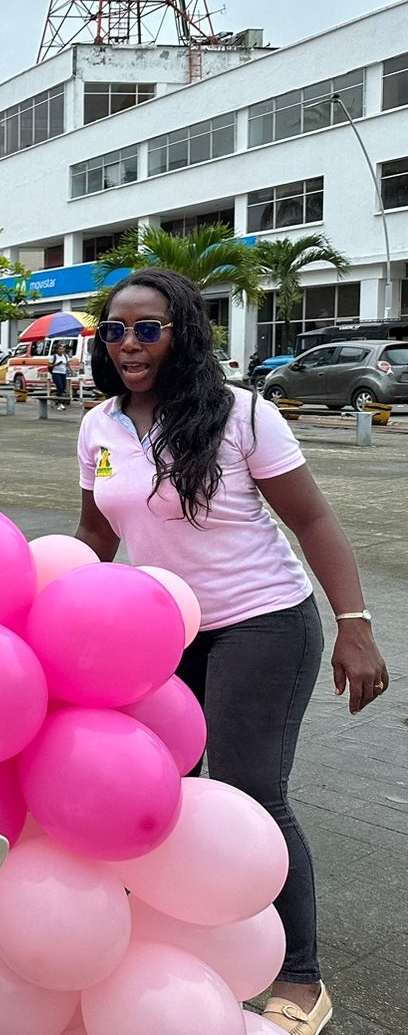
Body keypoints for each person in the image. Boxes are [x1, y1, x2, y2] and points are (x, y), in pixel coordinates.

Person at [73, 268, 388, 1035]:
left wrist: (354, 621)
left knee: (251, 792)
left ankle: (301, 974)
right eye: (114, 331)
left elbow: (312, 521)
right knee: (163, 789)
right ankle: (191, 932)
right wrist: (51, 601)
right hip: (160, 635)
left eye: (148, 328)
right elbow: (96, 535)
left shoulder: (243, 417)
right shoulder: (100, 426)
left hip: (262, 624)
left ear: (183, 331)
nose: (128, 345)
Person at [49, 345, 71, 409]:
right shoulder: (53, 357)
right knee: (60, 386)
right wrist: (56, 364)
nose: (62, 350)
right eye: (60, 349)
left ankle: (54, 400)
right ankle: (60, 403)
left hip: (63, 373)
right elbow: (49, 365)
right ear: (56, 350)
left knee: (63, 388)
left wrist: (72, 371)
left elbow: (68, 364)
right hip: (56, 373)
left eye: (62, 349)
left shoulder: (65, 356)